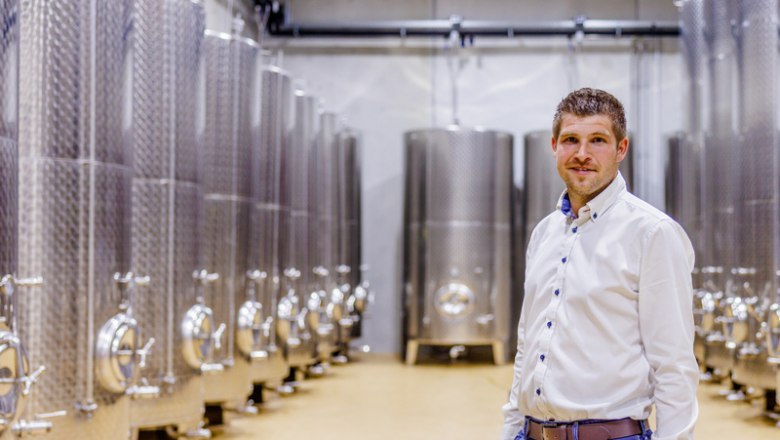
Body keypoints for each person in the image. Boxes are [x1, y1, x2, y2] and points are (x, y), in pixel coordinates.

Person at [501, 88, 699, 440]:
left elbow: (674, 367)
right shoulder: (544, 233)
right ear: (554, 146)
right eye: (571, 140)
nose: (582, 154)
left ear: (621, 148)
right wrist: (510, 430)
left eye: (597, 140)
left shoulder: (652, 234)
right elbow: (527, 347)